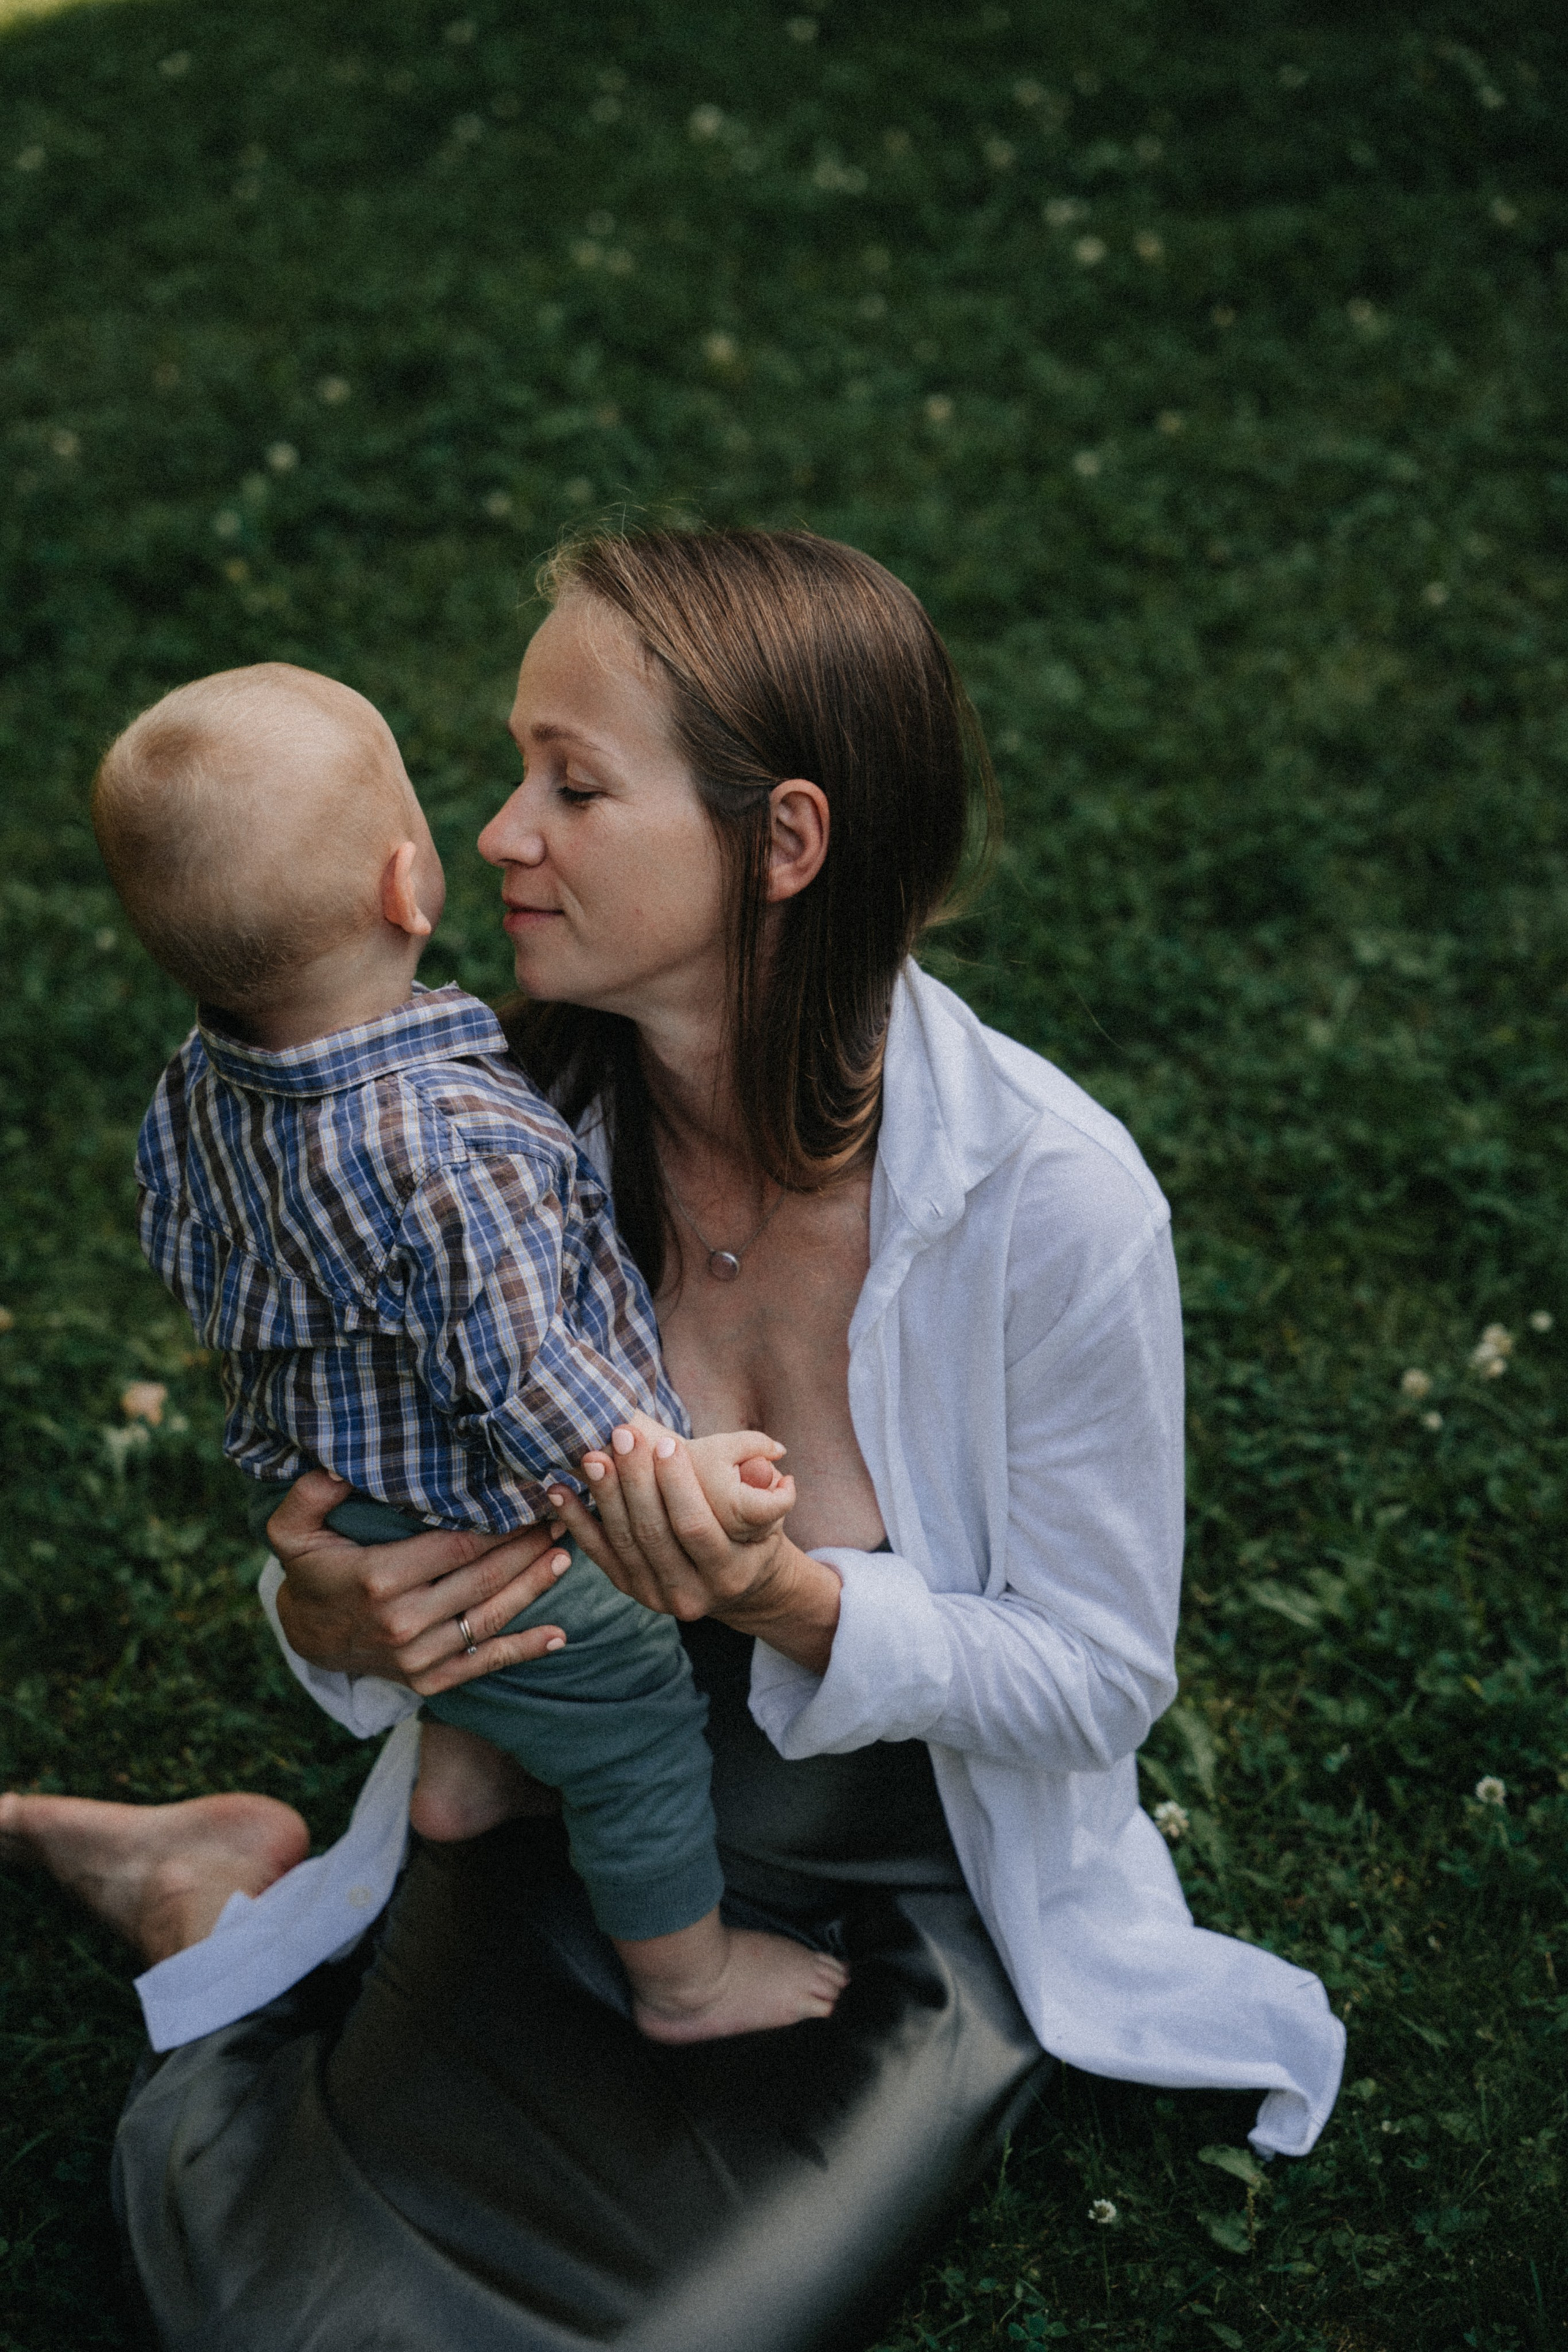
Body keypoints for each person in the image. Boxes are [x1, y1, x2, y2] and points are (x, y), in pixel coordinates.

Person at [2, 528, 1344, 2352]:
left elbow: (1100, 1685)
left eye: (572, 783)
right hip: (553, 1791)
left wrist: (792, 1601)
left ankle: (217, 1889)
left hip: (890, 1877)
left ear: (783, 844)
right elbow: (345, 1464)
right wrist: (325, 1617)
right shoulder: (487, 1122)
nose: (495, 832)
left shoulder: (1051, 1201)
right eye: (507, 768)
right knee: (275, 2295)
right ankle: (214, 1883)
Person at [89, 659, 845, 2043]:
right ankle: (684, 1980)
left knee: (504, 1664)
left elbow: (186, 1244)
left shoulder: (196, 1088)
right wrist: (675, 1470)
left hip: (355, 1491)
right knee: (629, 1720)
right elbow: (527, 1374)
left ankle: (464, 1779)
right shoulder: (451, 1143)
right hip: (489, 1513)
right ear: (403, 886)